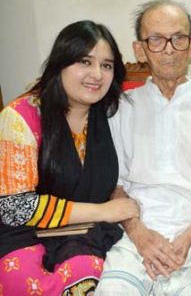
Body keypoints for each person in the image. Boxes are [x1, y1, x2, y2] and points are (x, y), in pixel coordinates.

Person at [95, 0, 191, 295]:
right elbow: (116, 186)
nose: (170, 49)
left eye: (178, 38)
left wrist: (187, 238)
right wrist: (140, 235)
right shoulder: (122, 108)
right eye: (157, 40)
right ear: (140, 49)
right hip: (138, 231)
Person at [0, 20, 140, 295]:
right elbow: (13, 207)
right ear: (60, 63)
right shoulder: (20, 118)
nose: (97, 74)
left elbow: (157, 112)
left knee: (96, 278)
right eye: (84, 62)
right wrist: (102, 211)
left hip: (86, 234)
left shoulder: (111, 112)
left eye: (107, 65)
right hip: (26, 235)